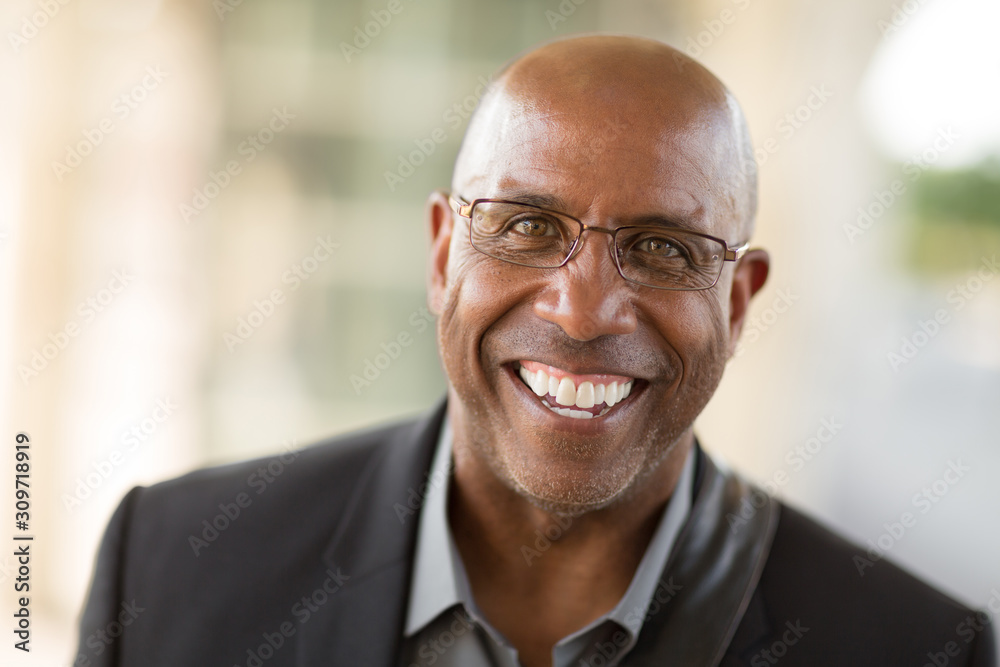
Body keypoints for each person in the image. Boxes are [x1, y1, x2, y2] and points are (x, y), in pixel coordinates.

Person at [76, 35, 997, 667]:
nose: (585, 307)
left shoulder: (913, 646)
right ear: (443, 255)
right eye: (524, 225)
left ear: (740, 301)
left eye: (665, 248)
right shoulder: (174, 568)